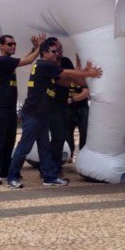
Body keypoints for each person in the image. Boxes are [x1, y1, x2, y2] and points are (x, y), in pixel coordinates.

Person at [6, 39, 103, 189]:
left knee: (44, 148)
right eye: (53, 51)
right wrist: (87, 72)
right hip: (33, 114)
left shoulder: (48, 68)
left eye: (57, 51)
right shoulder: (43, 65)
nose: (57, 54)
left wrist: (84, 75)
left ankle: (49, 176)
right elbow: (66, 73)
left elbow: (65, 80)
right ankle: (12, 177)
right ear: (44, 53)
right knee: (24, 147)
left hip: (42, 114)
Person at [0, 33, 44, 186]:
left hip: (9, 107)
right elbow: (28, 60)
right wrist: (40, 48)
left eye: (14, 44)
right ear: (1, 46)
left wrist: (35, 48)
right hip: (0, 107)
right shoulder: (2, 60)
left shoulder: (7, 61)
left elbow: (22, 59)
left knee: (9, 141)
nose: (13, 46)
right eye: (10, 44)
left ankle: (4, 171)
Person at [46, 37, 75, 174]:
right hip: (49, 105)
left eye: (60, 49)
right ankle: (50, 168)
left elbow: (71, 80)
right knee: (53, 137)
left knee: (60, 137)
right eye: (56, 50)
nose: (59, 52)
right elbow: (64, 80)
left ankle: (54, 167)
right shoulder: (46, 64)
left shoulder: (66, 61)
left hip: (63, 105)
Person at [65, 56, 90, 161]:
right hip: (69, 109)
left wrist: (72, 99)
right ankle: (70, 154)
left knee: (84, 133)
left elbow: (86, 93)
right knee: (68, 132)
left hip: (82, 108)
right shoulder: (66, 77)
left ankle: (83, 156)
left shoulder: (82, 77)